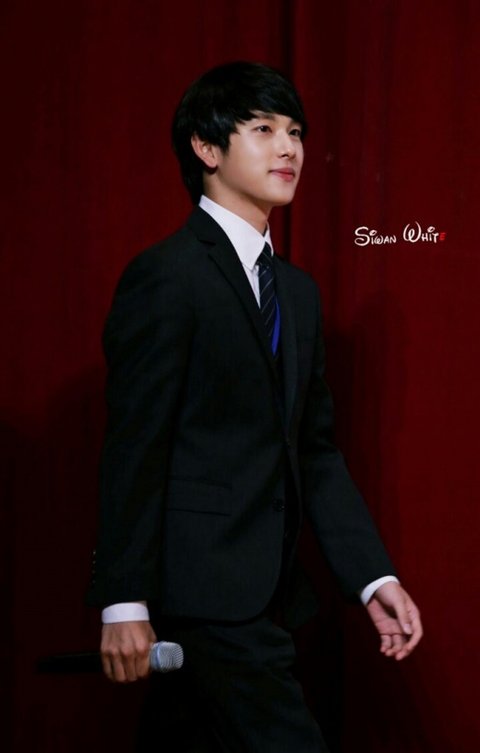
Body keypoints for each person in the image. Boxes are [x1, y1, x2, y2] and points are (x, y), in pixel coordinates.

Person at [87, 61, 423, 752]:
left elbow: (314, 451)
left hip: (272, 594)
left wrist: (372, 577)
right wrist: (123, 599)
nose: (289, 148)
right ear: (206, 148)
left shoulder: (297, 294)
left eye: (295, 132)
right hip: (200, 594)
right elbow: (135, 443)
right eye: (264, 129)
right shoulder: (168, 276)